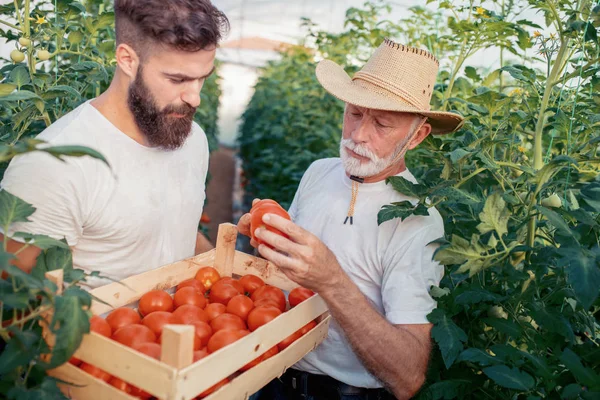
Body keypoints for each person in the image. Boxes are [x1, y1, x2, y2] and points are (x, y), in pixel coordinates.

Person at [238, 38, 464, 400]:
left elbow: (407, 378)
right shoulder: (319, 172)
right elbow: (288, 278)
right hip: (274, 376)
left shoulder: (418, 221)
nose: (358, 135)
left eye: (382, 124)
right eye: (355, 113)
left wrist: (332, 281)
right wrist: (268, 241)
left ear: (417, 136)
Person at [0, 0, 229, 288]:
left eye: (202, 79)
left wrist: (228, 279)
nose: (194, 98)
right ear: (127, 60)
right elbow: (18, 300)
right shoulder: (53, 162)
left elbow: (176, 229)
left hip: (186, 323)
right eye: (177, 79)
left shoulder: (192, 138)